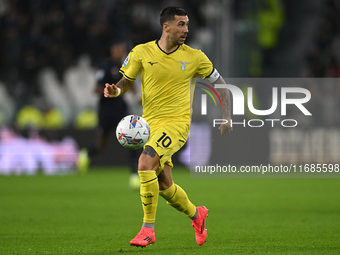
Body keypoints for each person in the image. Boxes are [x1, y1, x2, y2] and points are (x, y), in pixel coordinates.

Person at [104, 7, 232, 247]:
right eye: (181, 24)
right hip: (150, 126)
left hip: (177, 124)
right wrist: (116, 90)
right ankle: (197, 215)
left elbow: (221, 85)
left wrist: (227, 117)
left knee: (144, 164)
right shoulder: (142, 52)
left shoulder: (195, 57)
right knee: (164, 185)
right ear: (166, 27)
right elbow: (125, 81)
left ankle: (147, 230)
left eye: (187, 24)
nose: (186, 29)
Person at [78, 43, 140, 189]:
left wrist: (137, 96)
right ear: (112, 52)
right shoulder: (105, 67)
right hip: (106, 109)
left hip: (120, 109)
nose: (119, 54)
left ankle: (134, 175)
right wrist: (110, 91)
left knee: (133, 139)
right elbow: (96, 88)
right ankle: (86, 155)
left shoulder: (126, 67)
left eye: (121, 51)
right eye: (116, 51)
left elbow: (129, 83)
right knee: (101, 145)